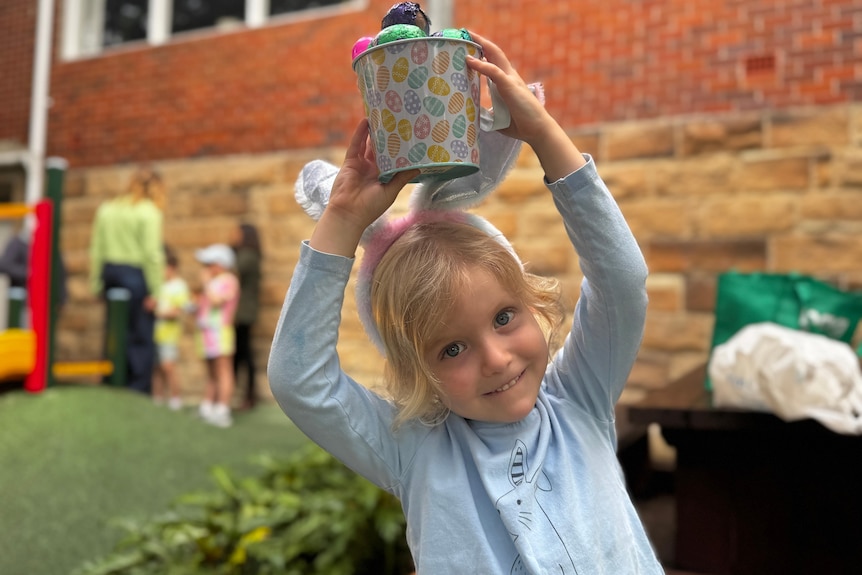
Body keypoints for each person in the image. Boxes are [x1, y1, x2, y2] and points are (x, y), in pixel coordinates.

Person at [267, 33, 663, 574]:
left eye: (504, 317)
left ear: (531, 303)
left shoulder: (579, 401)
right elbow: (300, 381)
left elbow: (621, 281)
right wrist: (341, 220)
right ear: (415, 369)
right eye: (452, 348)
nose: (497, 359)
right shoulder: (413, 451)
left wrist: (543, 133)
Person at [89, 165, 165, 393]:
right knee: (140, 334)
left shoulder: (107, 209)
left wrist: (95, 283)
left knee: (114, 329)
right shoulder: (149, 211)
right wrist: (156, 291)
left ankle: (111, 381)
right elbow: (152, 254)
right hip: (135, 274)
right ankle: (137, 388)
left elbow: (96, 249)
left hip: (109, 272)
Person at [194, 243, 240, 428]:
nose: (205, 268)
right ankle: (208, 407)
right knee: (211, 371)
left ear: (220, 264)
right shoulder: (213, 282)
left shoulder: (229, 280)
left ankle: (222, 409)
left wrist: (205, 283)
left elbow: (216, 301)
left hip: (220, 332)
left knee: (223, 370)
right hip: (206, 332)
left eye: (209, 263)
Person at [152, 246, 191, 410]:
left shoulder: (179, 286)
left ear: (171, 267)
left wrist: (159, 313)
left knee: (169, 367)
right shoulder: (159, 285)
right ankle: (157, 398)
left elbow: (178, 310)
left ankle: (175, 399)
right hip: (155, 333)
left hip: (168, 335)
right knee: (156, 368)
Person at [230, 223, 262, 410]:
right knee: (242, 354)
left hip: (243, 312)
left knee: (243, 354)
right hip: (244, 311)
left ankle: (247, 395)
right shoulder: (249, 255)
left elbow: (233, 270)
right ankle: (244, 395)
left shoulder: (246, 256)